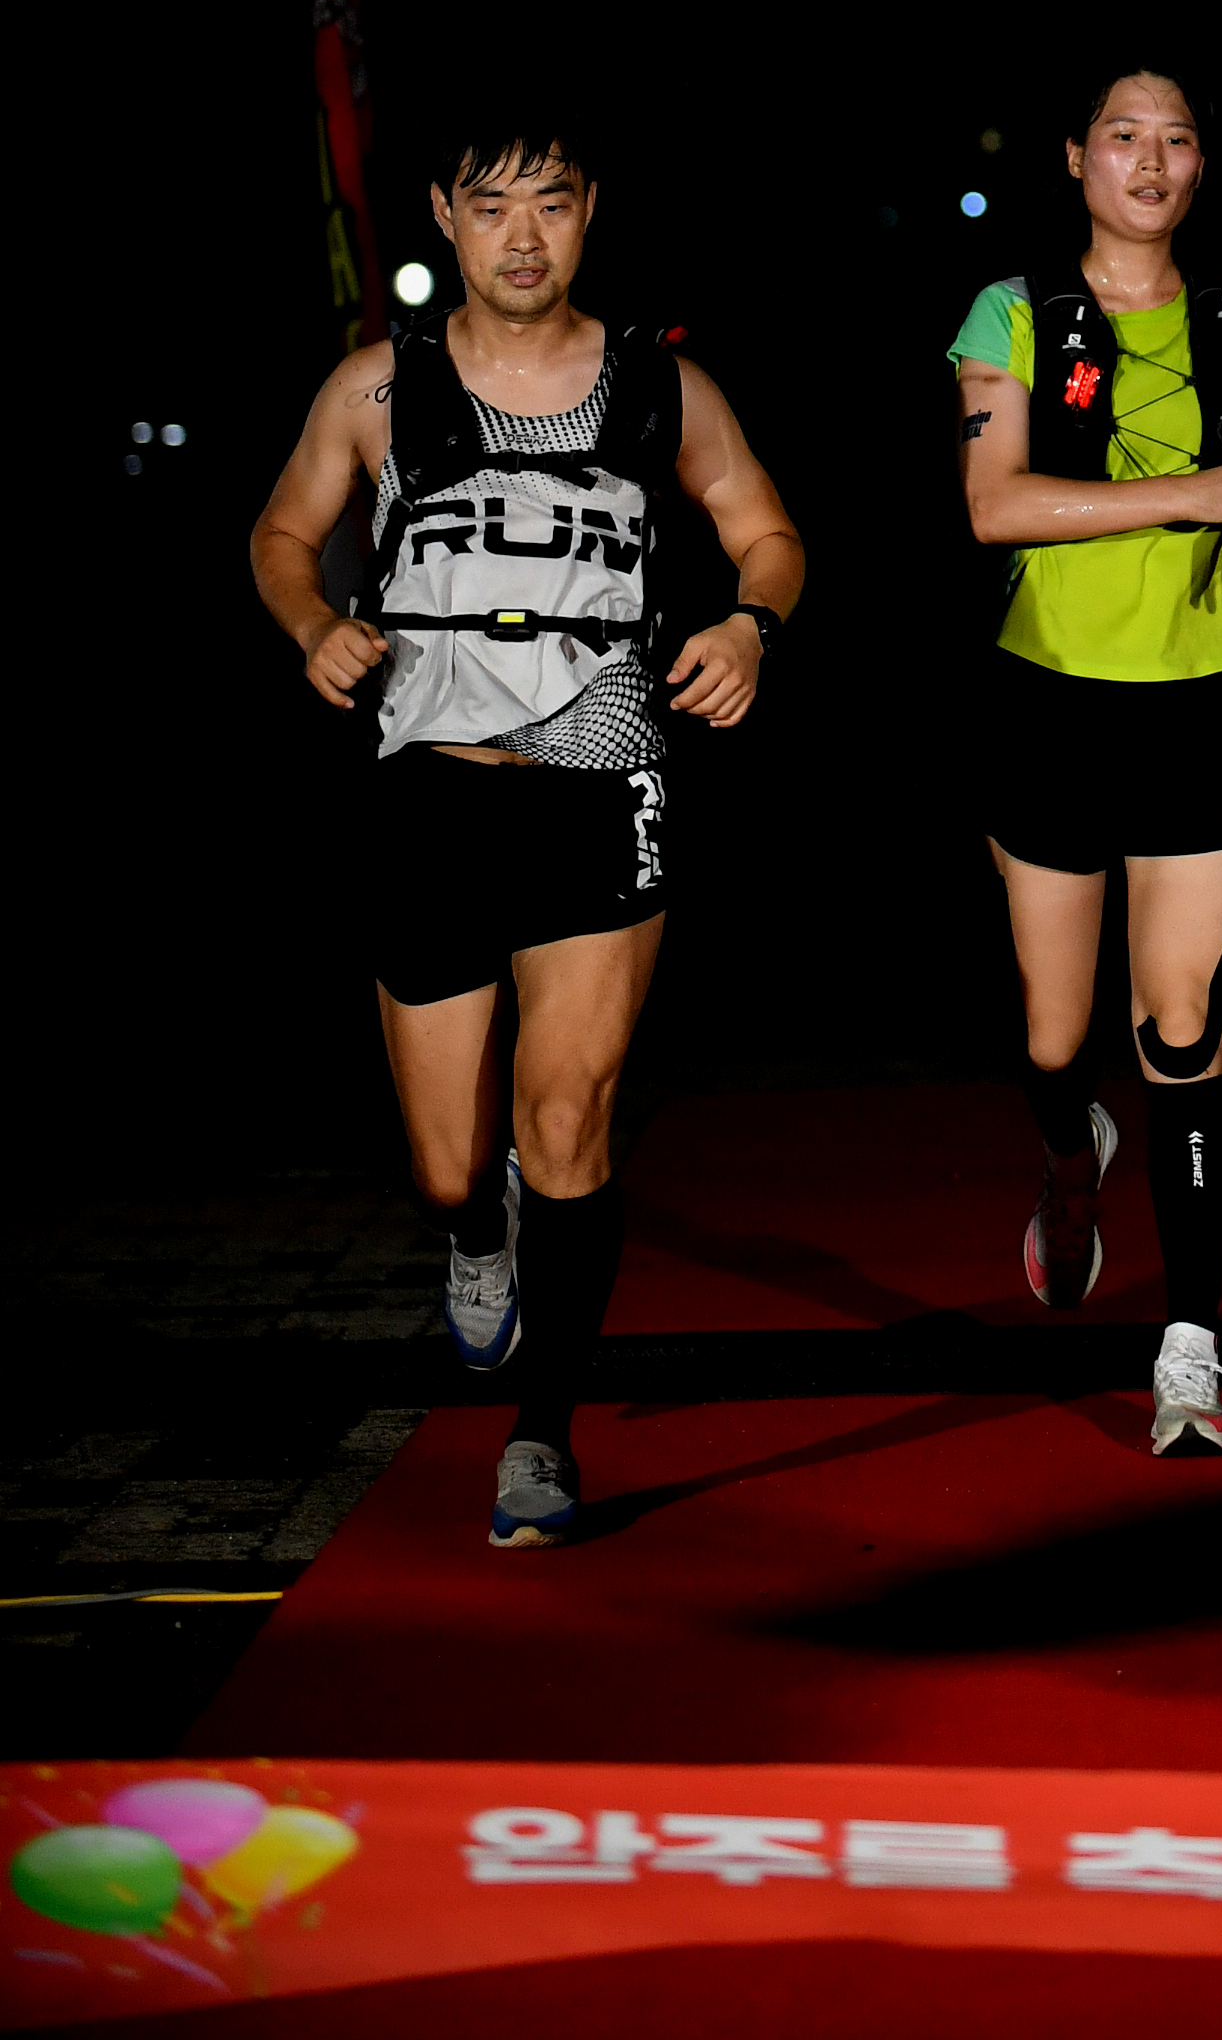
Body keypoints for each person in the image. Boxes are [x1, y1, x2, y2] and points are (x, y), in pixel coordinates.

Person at [252, 121, 802, 1545]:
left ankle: (543, 1436)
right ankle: (473, 1227)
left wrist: (751, 622)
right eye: (490, 206)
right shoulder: (378, 386)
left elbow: (767, 530)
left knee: (567, 1122)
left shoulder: (661, 387)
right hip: (430, 794)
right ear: (444, 214)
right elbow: (280, 533)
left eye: (548, 204)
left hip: (599, 780)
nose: (521, 236)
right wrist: (312, 623)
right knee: (452, 1166)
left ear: (588, 211)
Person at [950, 68, 1222, 1456]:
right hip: (1052, 708)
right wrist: (1206, 492)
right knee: (1053, 1041)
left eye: (1176, 138)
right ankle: (1070, 1162)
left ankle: (1189, 1349)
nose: (1150, 159)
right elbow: (994, 505)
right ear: (1076, 157)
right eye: (1123, 135)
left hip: (1214, 707)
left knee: (1182, 1033)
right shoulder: (1015, 312)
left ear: (1200, 168)